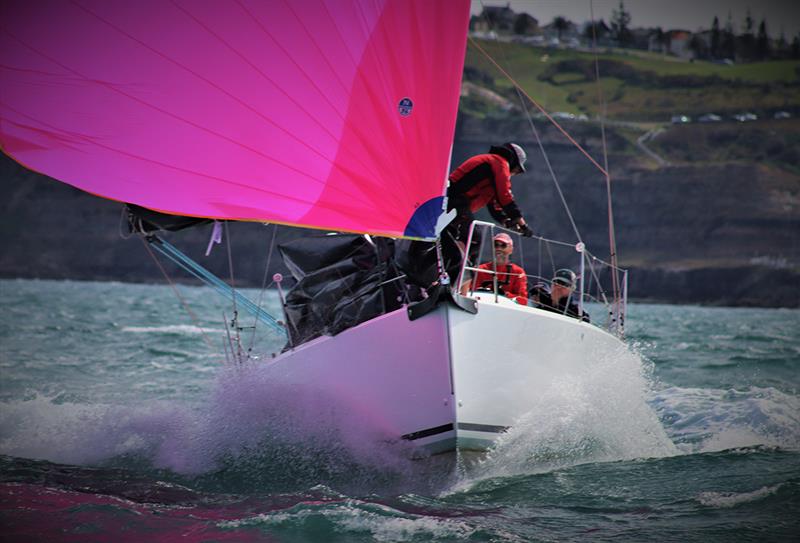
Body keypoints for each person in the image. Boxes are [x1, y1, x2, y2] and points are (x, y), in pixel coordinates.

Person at [446, 142, 534, 245]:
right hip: (456, 200)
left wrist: (505, 220)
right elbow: (505, 196)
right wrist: (523, 225)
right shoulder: (499, 163)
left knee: (455, 240)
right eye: (517, 170)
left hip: (454, 202)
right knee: (474, 239)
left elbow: (493, 204)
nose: (514, 173)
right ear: (513, 161)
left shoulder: (492, 166)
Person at [469, 233, 528, 305]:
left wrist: (504, 295)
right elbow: (470, 293)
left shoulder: (518, 272)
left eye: (503, 245)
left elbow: (523, 300)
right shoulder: (480, 269)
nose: (499, 248)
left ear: (511, 249)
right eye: (496, 245)